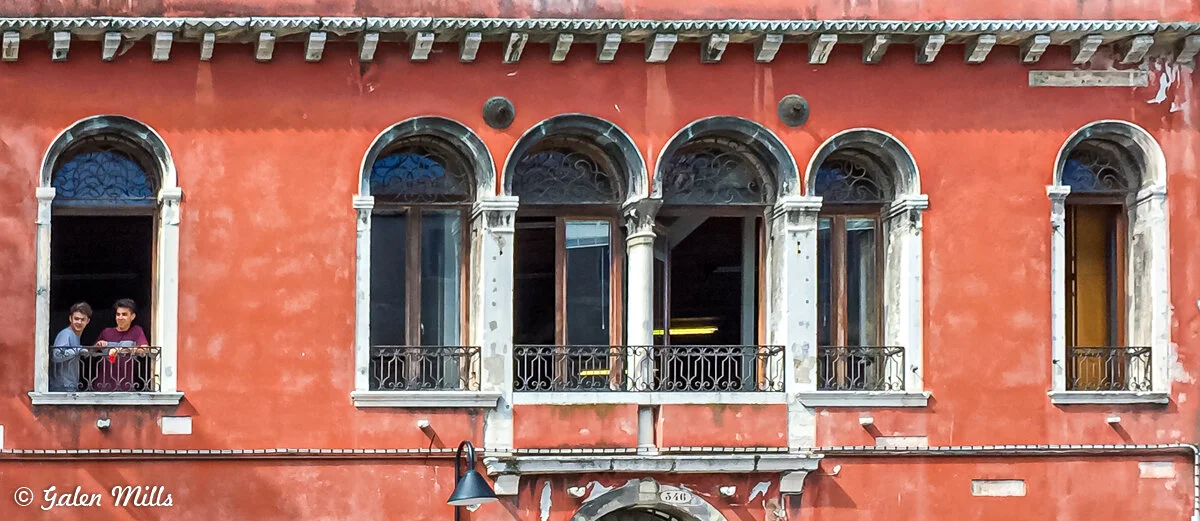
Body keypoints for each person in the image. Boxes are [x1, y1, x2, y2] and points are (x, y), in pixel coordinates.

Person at [93, 299, 150, 392]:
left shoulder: (136, 331)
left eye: (124, 314)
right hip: (103, 385)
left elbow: (145, 349)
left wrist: (123, 349)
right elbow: (91, 352)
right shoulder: (106, 332)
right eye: (118, 314)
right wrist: (98, 345)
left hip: (125, 385)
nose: (120, 317)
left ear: (132, 316)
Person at [49, 302, 92, 392]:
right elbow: (56, 355)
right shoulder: (66, 334)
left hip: (68, 385)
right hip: (61, 386)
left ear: (87, 321)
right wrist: (78, 350)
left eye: (82, 319)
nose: (79, 322)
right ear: (70, 319)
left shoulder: (75, 335)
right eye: (76, 319)